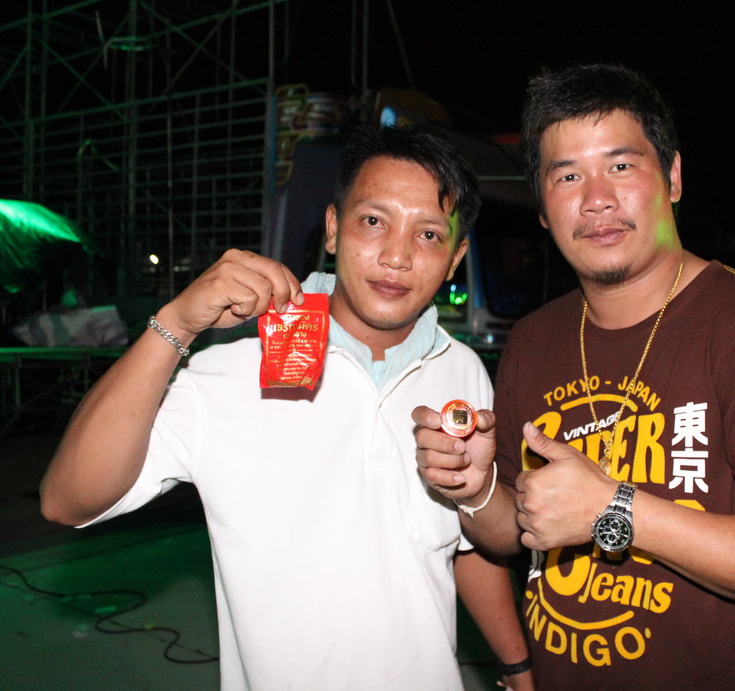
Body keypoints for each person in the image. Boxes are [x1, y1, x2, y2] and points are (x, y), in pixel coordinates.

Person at [413, 63, 735, 689]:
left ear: (673, 177)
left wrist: (615, 509)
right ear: (542, 208)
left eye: (621, 165)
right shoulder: (534, 340)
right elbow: (515, 529)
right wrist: (473, 487)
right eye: (567, 175)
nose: (596, 198)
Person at [40, 123, 533, 690]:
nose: (396, 256)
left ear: (454, 258)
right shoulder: (233, 368)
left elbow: (463, 543)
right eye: (374, 221)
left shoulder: (461, 370)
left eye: (427, 234)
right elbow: (67, 500)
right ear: (333, 228)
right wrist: (175, 324)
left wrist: (516, 664)